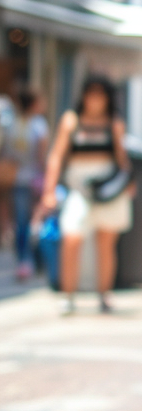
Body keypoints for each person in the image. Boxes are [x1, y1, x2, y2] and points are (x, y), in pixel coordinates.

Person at [41, 75, 132, 314]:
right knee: (71, 238)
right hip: (79, 189)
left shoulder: (113, 122)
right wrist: (48, 190)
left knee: (106, 244)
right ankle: (68, 295)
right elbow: (57, 156)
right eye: (91, 92)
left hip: (108, 190)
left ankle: (104, 295)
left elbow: (122, 158)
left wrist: (127, 182)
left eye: (99, 93)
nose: (94, 99)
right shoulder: (71, 121)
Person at [4, 88, 48, 280]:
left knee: (21, 222)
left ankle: (25, 261)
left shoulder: (11, 124)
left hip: (17, 178)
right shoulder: (38, 125)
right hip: (33, 180)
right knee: (33, 222)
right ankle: (32, 261)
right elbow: (42, 156)